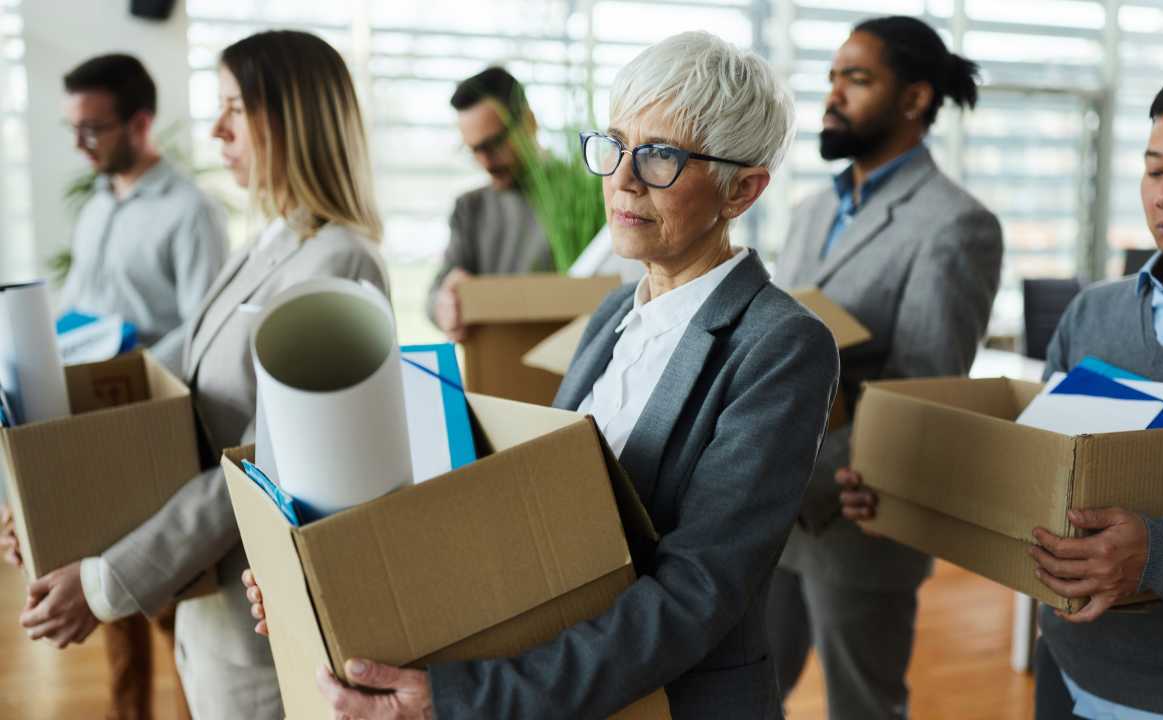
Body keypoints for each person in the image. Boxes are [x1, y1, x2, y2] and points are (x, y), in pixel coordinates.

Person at [244, 31, 840, 719]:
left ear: (744, 190)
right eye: (615, 144)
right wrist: (321, 583)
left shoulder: (781, 346)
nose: (621, 177)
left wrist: (466, 699)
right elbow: (528, 522)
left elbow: (695, 594)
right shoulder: (613, 313)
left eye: (662, 156)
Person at [846, 61, 1163, 719]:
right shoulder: (1093, 313)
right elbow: (1040, 472)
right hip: (1068, 667)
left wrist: (1158, 554)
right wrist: (902, 491)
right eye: (1154, 168)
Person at [8, 30, 390, 720]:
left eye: (235, 109)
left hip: (257, 627)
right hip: (203, 607)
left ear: (292, 117)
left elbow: (257, 467)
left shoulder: (338, 264)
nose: (215, 129)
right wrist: (47, 509)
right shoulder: (269, 244)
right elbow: (165, 396)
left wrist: (104, 583)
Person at [767, 16, 1003, 719]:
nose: (833, 93)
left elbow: (920, 388)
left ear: (914, 100)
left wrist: (817, 476)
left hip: (856, 510)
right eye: (833, 76)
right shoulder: (811, 211)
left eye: (858, 78)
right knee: (747, 691)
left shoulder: (955, 224)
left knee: (862, 706)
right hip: (774, 507)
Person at [58, 54, 228, 376]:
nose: (78, 145)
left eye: (91, 129)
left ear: (140, 124)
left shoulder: (192, 212)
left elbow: (204, 327)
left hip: (142, 398)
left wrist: (137, 377)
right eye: (74, 129)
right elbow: (75, 302)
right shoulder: (96, 206)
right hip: (83, 389)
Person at [427, 66, 554, 342]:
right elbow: (436, 293)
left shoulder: (585, 201)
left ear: (529, 122)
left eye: (494, 144)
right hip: (491, 370)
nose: (485, 162)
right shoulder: (469, 208)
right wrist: (444, 303)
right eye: (474, 150)